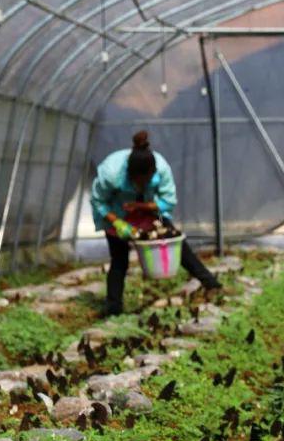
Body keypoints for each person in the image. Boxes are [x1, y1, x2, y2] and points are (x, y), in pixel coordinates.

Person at [90, 130, 219, 315]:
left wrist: (141, 206)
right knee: (119, 260)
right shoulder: (111, 173)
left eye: (147, 181)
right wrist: (117, 222)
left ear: (153, 173)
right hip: (118, 213)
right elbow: (98, 201)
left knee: (177, 242)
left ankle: (211, 284)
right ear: (129, 174)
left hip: (150, 210)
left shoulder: (162, 168)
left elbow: (168, 200)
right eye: (138, 181)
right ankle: (113, 308)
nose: (142, 184)